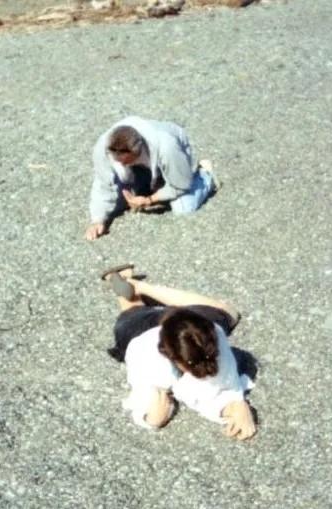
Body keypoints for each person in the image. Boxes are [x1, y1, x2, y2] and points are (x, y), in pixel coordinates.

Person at [102, 264, 257, 440]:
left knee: (229, 313)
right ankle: (122, 284)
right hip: (140, 331)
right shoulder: (145, 353)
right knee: (132, 308)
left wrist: (238, 406)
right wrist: (152, 419)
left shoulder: (213, 333)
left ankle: (140, 287)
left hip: (190, 322)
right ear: (169, 355)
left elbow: (224, 385)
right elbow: (143, 394)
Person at [86, 116, 219, 240]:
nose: (122, 164)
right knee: (117, 204)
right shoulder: (102, 149)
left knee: (184, 207)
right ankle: (152, 183)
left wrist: (149, 200)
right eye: (118, 161)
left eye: (126, 161)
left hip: (174, 158)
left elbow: (180, 186)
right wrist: (98, 220)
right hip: (142, 164)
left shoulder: (167, 147)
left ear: (137, 150)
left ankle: (204, 175)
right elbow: (103, 185)